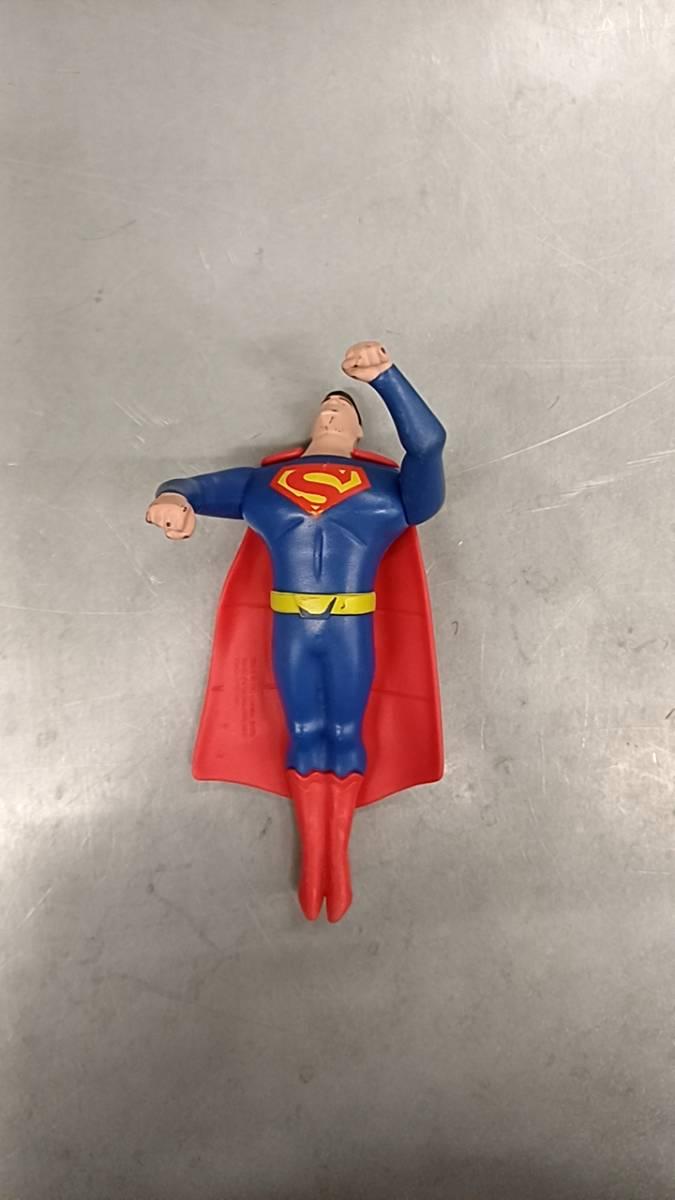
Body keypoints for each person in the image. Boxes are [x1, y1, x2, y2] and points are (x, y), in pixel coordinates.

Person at [146, 341, 446, 922]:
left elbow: (429, 445)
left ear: (360, 433)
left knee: (345, 730)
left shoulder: (390, 492)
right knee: (304, 731)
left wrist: (387, 378)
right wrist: (174, 499)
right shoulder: (264, 484)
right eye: (326, 407)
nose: (331, 411)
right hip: (291, 627)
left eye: (344, 410)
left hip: (351, 625)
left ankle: (339, 860)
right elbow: (193, 487)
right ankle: (316, 863)